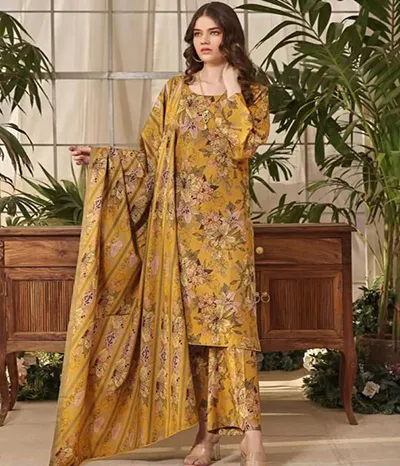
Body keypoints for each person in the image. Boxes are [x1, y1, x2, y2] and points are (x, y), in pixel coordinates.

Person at [51, 2, 270, 466]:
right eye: (197, 34)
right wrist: (104, 158)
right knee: (193, 340)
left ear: (230, 37)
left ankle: (252, 438)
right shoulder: (174, 91)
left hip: (227, 235)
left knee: (233, 332)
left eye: (213, 33)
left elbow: (244, 145)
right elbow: (150, 159)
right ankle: (205, 439)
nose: (204, 41)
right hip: (177, 236)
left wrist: (232, 88)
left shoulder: (252, 93)